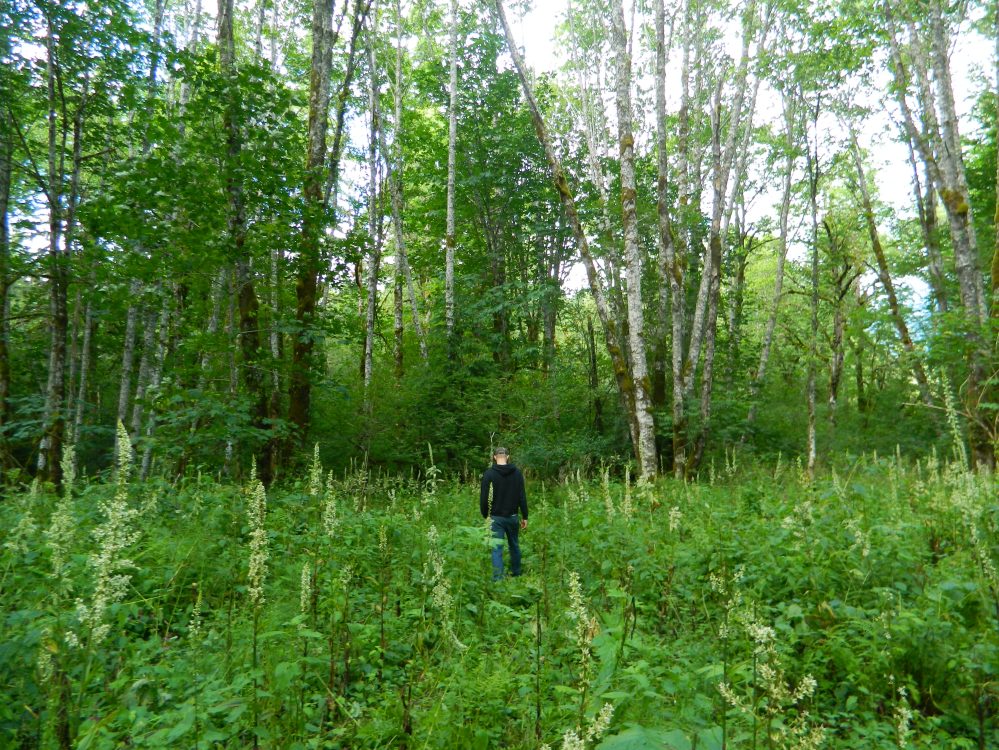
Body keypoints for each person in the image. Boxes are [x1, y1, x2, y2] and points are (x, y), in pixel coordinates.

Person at [480, 446, 528, 581]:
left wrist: (485, 515)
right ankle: (517, 573)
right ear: (507, 457)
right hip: (513, 517)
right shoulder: (517, 473)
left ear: (495, 457)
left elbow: (484, 498)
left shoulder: (489, 474)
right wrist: (525, 516)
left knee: (496, 549)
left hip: (495, 518)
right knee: (514, 545)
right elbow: (522, 496)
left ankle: (498, 579)